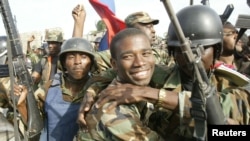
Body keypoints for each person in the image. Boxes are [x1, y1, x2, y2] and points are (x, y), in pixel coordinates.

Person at [78, 5, 250, 141]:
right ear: (172, 53)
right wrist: (93, 90)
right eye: (182, 50)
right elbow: (116, 73)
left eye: (202, 49)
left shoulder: (235, 85)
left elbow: (219, 111)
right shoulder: (158, 75)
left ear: (216, 49)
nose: (191, 58)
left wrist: (151, 94)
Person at [79, 28, 166, 141]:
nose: (139, 63)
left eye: (146, 53)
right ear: (114, 64)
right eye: (128, 56)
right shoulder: (113, 110)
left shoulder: (134, 87)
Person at [14, 37, 97, 141]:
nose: (77, 62)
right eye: (71, 57)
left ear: (92, 62)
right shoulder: (49, 88)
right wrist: (21, 104)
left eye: (84, 57)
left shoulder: (99, 88)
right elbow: (34, 125)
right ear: (63, 63)